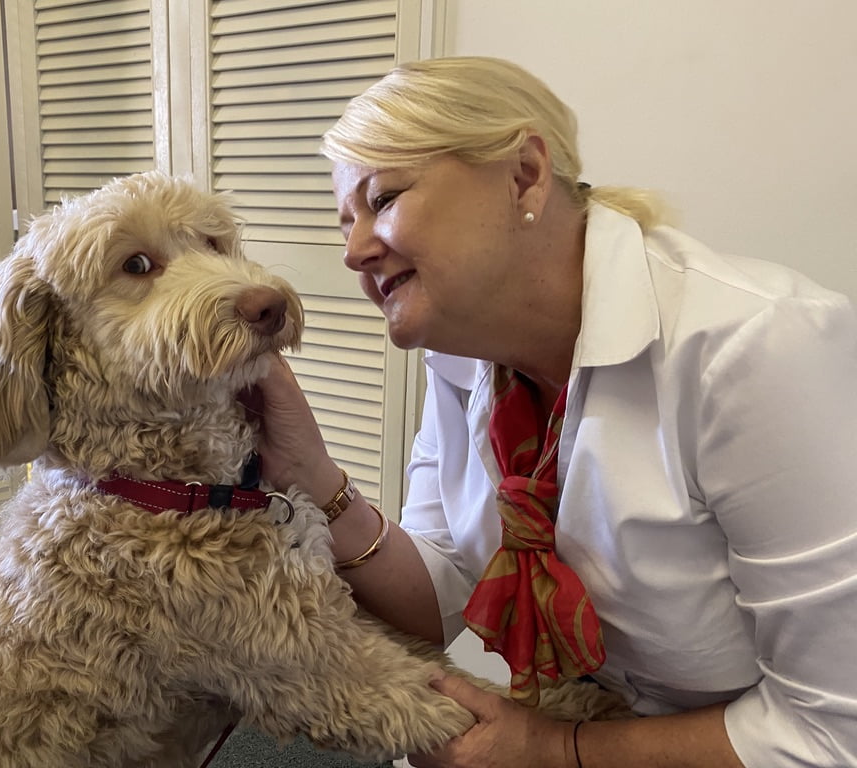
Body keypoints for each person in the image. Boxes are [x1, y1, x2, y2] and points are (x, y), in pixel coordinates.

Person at [247, 56, 857, 768]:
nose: (352, 252)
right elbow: (437, 598)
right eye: (344, 222)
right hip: (592, 713)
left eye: (382, 199)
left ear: (524, 175)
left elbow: (833, 733)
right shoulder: (466, 357)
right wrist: (312, 475)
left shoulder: (759, 349)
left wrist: (550, 748)